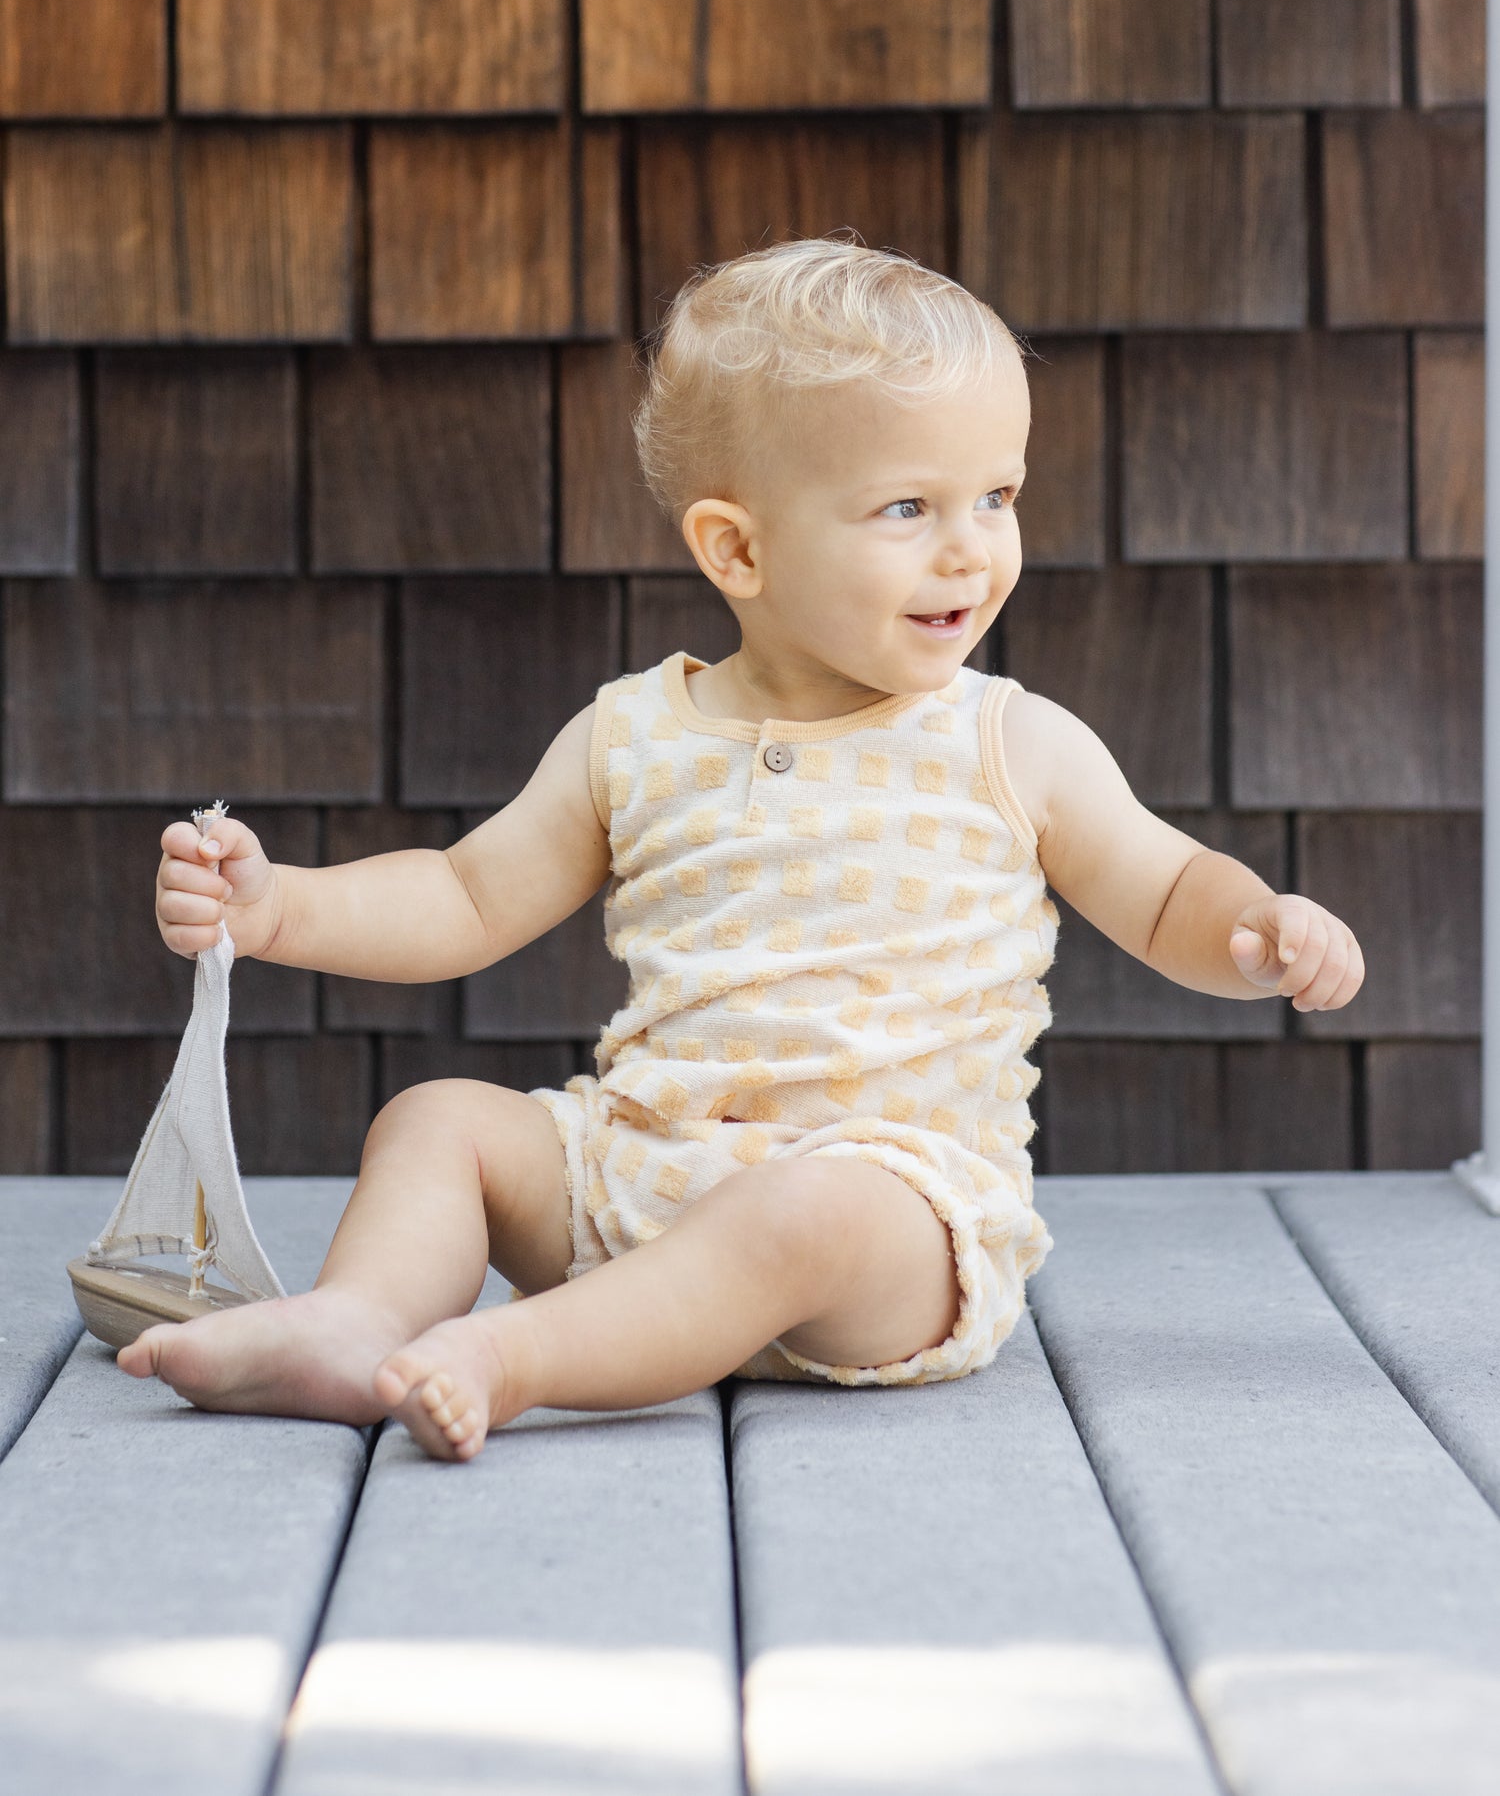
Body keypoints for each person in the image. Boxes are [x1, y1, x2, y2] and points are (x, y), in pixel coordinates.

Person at [119, 235, 1365, 1461]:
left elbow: (1164, 895)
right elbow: (463, 896)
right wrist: (280, 911)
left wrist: (1254, 930)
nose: (970, 547)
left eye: (998, 495)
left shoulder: (1007, 739)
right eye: (908, 507)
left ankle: (514, 1357)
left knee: (801, 1211)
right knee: (439, 1119)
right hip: (642, 1186)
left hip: (889, 1231)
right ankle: (359, 1323)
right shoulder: (637, 735)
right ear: (739, 549)